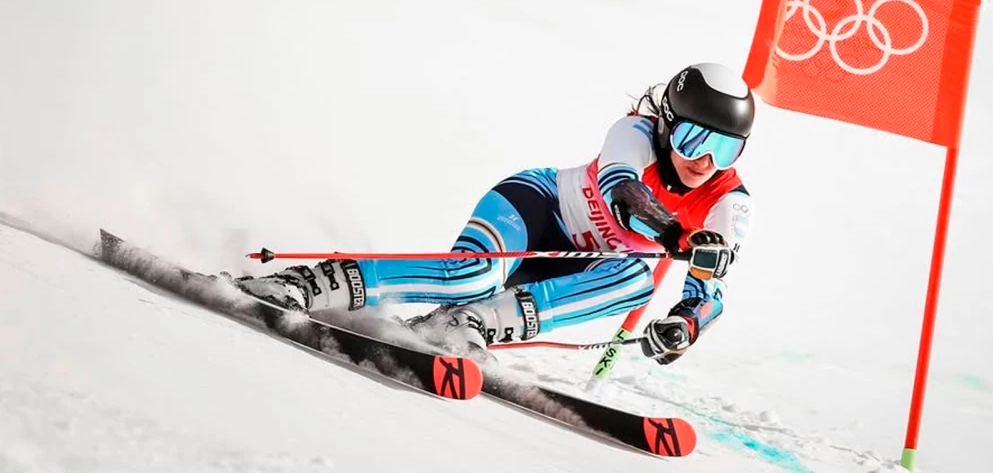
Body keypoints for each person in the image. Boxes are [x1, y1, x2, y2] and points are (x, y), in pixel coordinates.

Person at [236, 62, 756, 365]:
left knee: (636, 281)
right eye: (694, 139)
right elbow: (626, 199)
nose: (705, 162)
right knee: (472, 274)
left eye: (726, 150)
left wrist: (684, 326)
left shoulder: (729, 202)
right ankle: (304, 283)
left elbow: (710, 290)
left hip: (576, 267)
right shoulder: (634, 134)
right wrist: (677, 236)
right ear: (667, 124)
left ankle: (462, 326)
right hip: (536, 211)